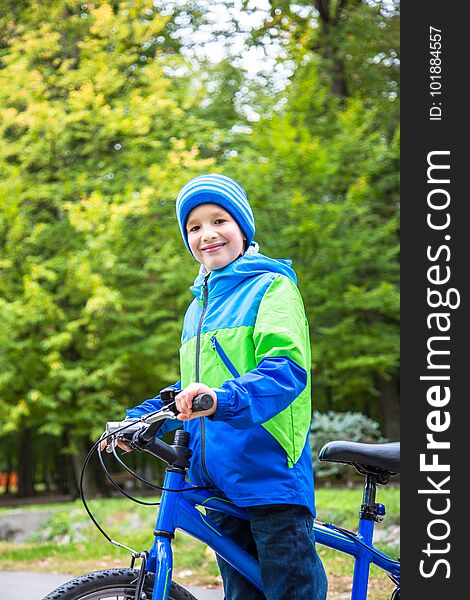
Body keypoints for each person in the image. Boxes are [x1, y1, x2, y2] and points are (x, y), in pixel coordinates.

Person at [119, 173, 327, 599]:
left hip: (267, 471)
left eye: (219, 221)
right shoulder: (197, 308)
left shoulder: (272, 287)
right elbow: (191, 388)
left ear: (243, 227)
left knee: (292, 589)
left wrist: (221, 399)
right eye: (194, 227)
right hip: (217, 480)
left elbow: (284, 370)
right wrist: (139, 421)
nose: (207, 234)